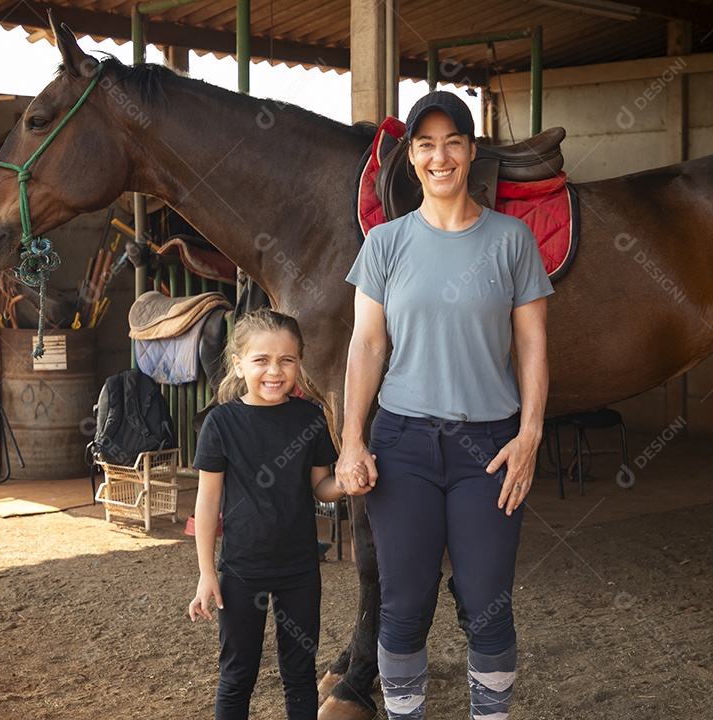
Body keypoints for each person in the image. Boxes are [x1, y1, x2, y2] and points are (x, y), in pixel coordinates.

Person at [336, 90, 553, 719]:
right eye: (426, 145)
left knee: (488, 602)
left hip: (488, 447)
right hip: (402, 445)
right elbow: (367, 346)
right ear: (410, 160)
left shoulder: (512, 241)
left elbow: (533, 345)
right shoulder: (384, 244)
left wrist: (531, 434)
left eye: (453, 142)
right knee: (404, 605)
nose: (440, 156)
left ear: (471, 151)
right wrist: (353, 438)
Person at [188, 308, 346, 720]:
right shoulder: (221, 423)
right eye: (261, 360)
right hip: (241, 569)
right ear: (239, 365)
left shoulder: (311, 418)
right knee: (238, 674)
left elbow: (321, 486)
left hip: (300, 568)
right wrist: (207, 572)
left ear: (299, 361)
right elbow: (207, 503)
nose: (274, 371)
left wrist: (347, 482)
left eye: (286, 360)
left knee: (299, 673)